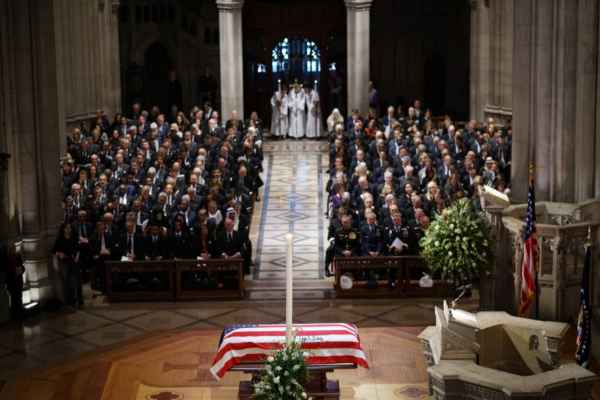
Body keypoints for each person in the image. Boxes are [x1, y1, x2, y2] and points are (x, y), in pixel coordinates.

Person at [53, 223, 83, 308]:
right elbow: (55, 250)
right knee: (67, 282)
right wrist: (59, 254)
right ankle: (70, 301)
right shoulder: (60, 239)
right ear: (63, 229)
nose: (69, 229)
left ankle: (80, 301)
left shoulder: (74, 237)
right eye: (67, 228)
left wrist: (77, 257)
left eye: (70, 228)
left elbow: (78, 249)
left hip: (74, 260)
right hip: (65, 262)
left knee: (77, 281)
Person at [4, 241, 24, 319]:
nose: (14, 249)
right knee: (14, 299)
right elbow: (7, 271)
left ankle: (20, 313)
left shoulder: (18, 256)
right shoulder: (7, 259)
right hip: (12, 282)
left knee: (19, 297)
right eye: (12, 248)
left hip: (18, 280)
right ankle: (15, 315)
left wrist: (20, 270)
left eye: (14, 248)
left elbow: (22, 266)